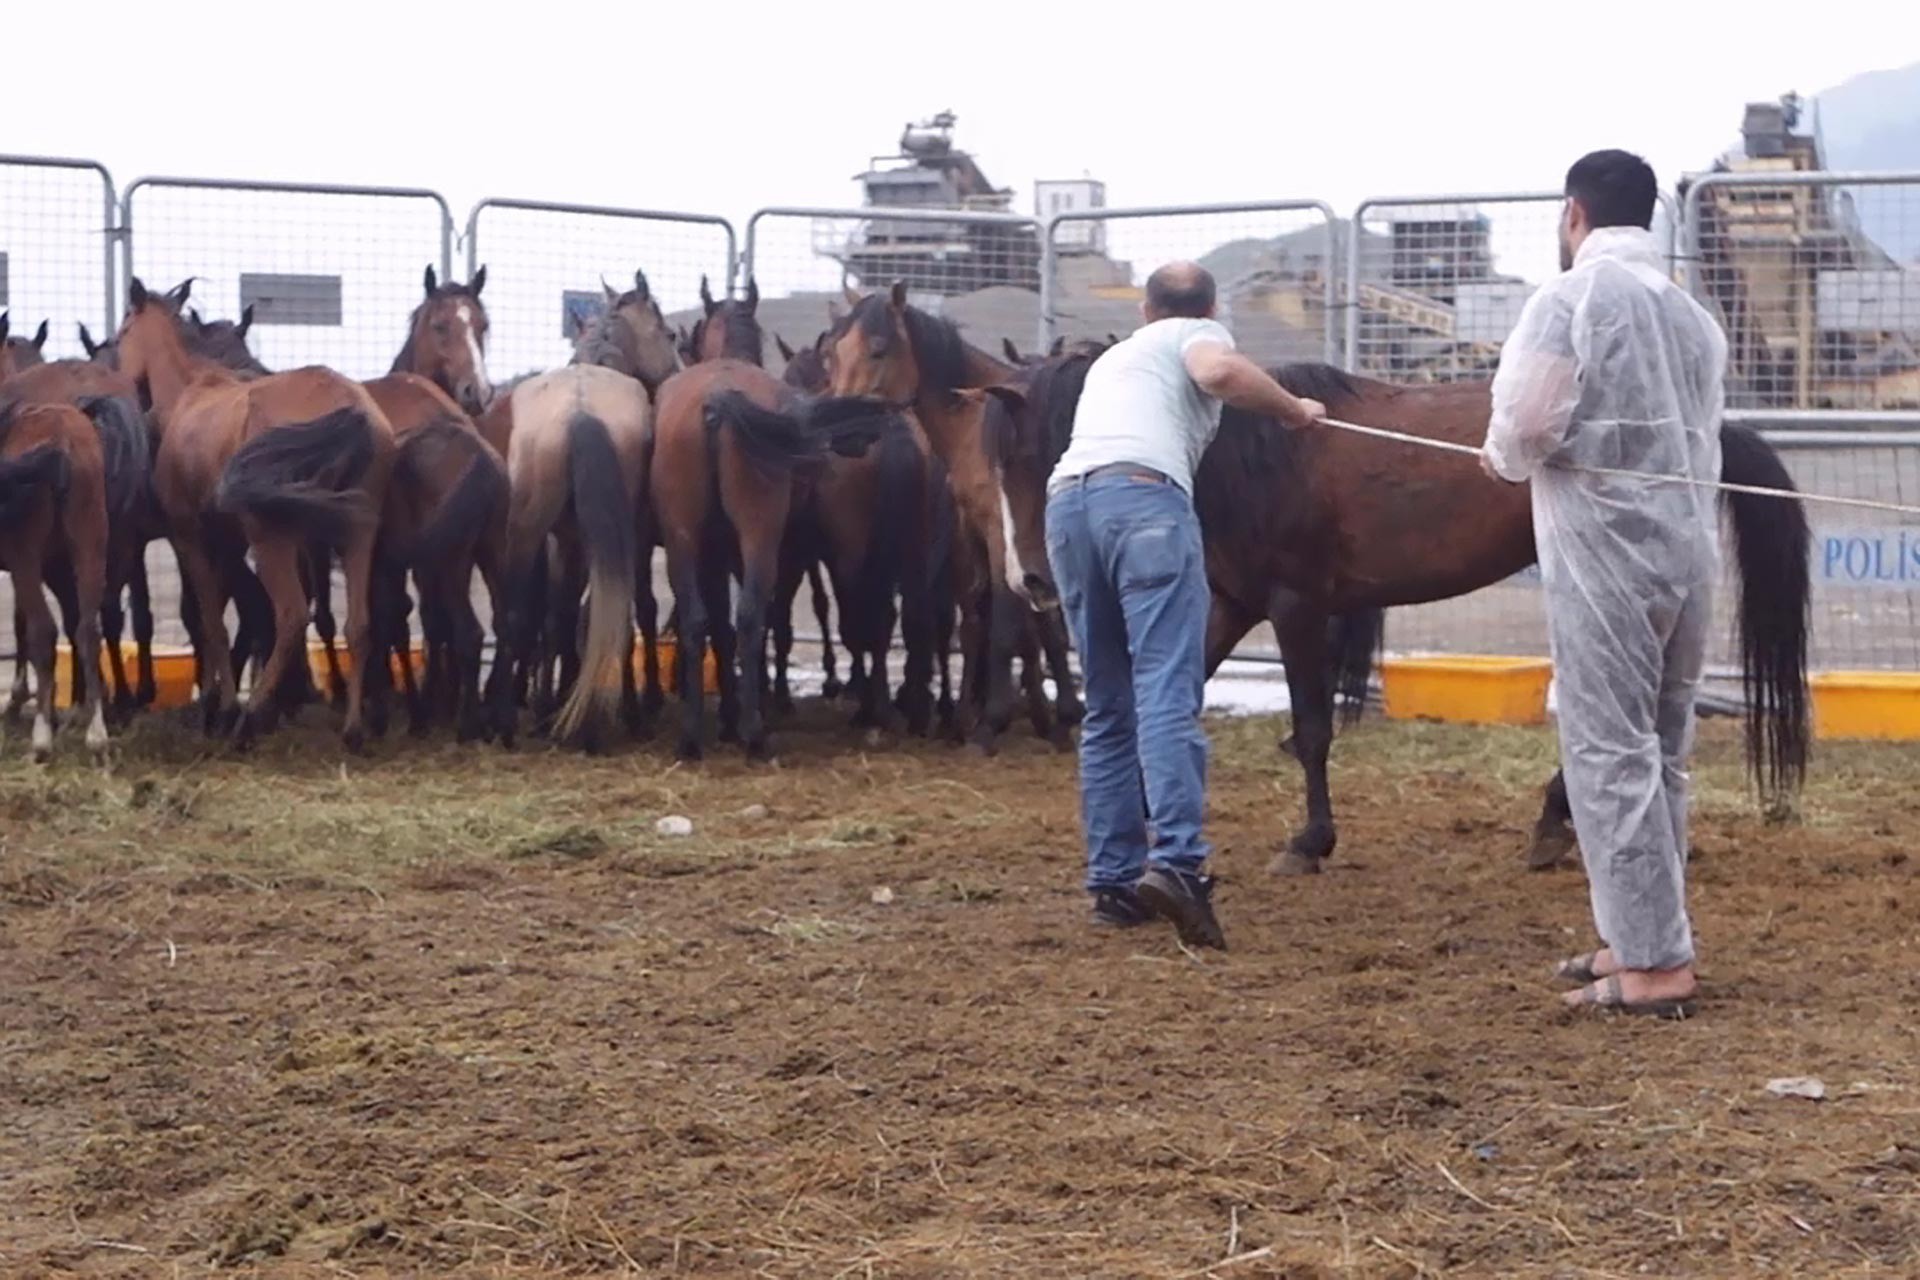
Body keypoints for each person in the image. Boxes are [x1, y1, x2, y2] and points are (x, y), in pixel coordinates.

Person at [1480, 150, 1725, 1017]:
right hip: (1686, 554)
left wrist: (1501, 452)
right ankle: (1645, 933)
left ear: (1573, 213)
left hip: (1605, 557)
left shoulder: (1568, 299)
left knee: (1608, 751)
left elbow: (1526, 427)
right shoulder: (1692, 314)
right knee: (1662, 752)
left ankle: (1656, 965)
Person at [1045, 262, 1325, 949]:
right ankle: (1177, 864)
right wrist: (1295, 410)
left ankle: (1113, 881)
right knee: (1166, 693)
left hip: (1068, 507)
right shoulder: (1194, 335)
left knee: (1109, 704)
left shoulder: (1117, 358)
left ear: (1144, 311)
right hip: (1145, 502)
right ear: (1207, 307)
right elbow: (1218, 374)